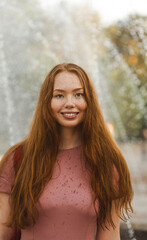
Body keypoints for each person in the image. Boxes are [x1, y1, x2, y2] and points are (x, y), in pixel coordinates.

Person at [0, 63, 133, 240]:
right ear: (47, 101)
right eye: (59, 95)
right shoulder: (17, 159)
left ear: (89, 101)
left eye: (78, 94)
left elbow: (110, 235)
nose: (69, 103)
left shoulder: (106, 162)